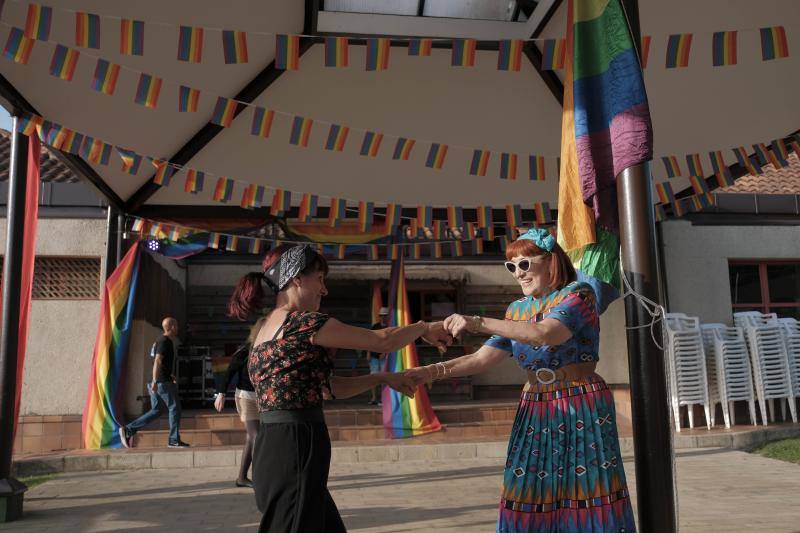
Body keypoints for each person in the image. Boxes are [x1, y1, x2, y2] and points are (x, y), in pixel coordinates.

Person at [406, 228, 636, 533]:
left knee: (584, 488)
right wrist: (427, 373)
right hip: (536, 406)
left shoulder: (579, 294)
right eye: (511, 267)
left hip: (579, 401)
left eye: (525, 264)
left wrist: (476, 321)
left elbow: (546, 333)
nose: (518, 274)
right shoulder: (516, 311)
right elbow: (480, 359)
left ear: (551, 262)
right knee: (526, 487)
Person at [228, 243, 452, 533]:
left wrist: (381, 379)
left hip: (277, 444)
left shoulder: (267, 328)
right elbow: (381, 341)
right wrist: (424, 327)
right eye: (320, 278)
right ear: (297, 278)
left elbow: (326, 388)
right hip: (296, 443)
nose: (324, 290)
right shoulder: (303, 323)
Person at [119, 317, 189, 449]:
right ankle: (174, 440)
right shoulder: (165, 342)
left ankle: (128, 430)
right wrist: (156, 381)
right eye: (177, 326)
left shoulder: (158, 341)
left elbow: (157, 362)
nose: (178, 328)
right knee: (175, 408)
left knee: (157, 410)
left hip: (159, 380)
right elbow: (157, 361)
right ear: (172, 327)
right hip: (162, 383)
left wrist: (168, 374)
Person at [213, 318, 264, 488]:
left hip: (263, 398)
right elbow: (229, 372)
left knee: (252, 438)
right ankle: (260, 479)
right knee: (255, 435)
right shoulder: (245, 351)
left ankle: (242, 478)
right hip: (245, 397)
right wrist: (221, 394)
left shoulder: (270, 350)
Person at [367, 306, 390, 405]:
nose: (383, 317)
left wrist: (385, 353)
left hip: (384, 356)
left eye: (385, 316)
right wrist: (368, 352)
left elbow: (391, 342)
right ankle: (374, 398)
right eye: (381, 316)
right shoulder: (375, 326)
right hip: (374, 356)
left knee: (383, 378)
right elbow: (370, 340)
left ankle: (382, 398)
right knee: (373, 378)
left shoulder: (389, 328)